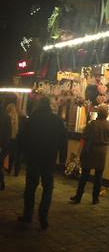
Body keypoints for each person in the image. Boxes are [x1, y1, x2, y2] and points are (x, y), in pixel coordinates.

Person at [17, 96, 67, 229]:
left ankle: (27, 215)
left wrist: (23, 154)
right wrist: (62, 159)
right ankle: (43, 217)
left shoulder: (33, 119)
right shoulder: (56, 120)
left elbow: (22, 137)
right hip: (49, 159)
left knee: (30, 188)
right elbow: (63, 141)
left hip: (33, 158)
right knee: (47, 188)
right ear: (50, 106)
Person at [70, 104, 109, 205]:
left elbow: (84, 136)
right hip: (103, 151)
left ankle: (78, 196)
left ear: (98, 113)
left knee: (85, 174)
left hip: (91, 150)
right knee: (99, 176)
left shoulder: (92, 124)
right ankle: (95, 198)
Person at [0, 99, 12, 191]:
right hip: (3, 144)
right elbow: (9, 132)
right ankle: (1, 182)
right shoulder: (6, 116)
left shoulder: (5, 116)